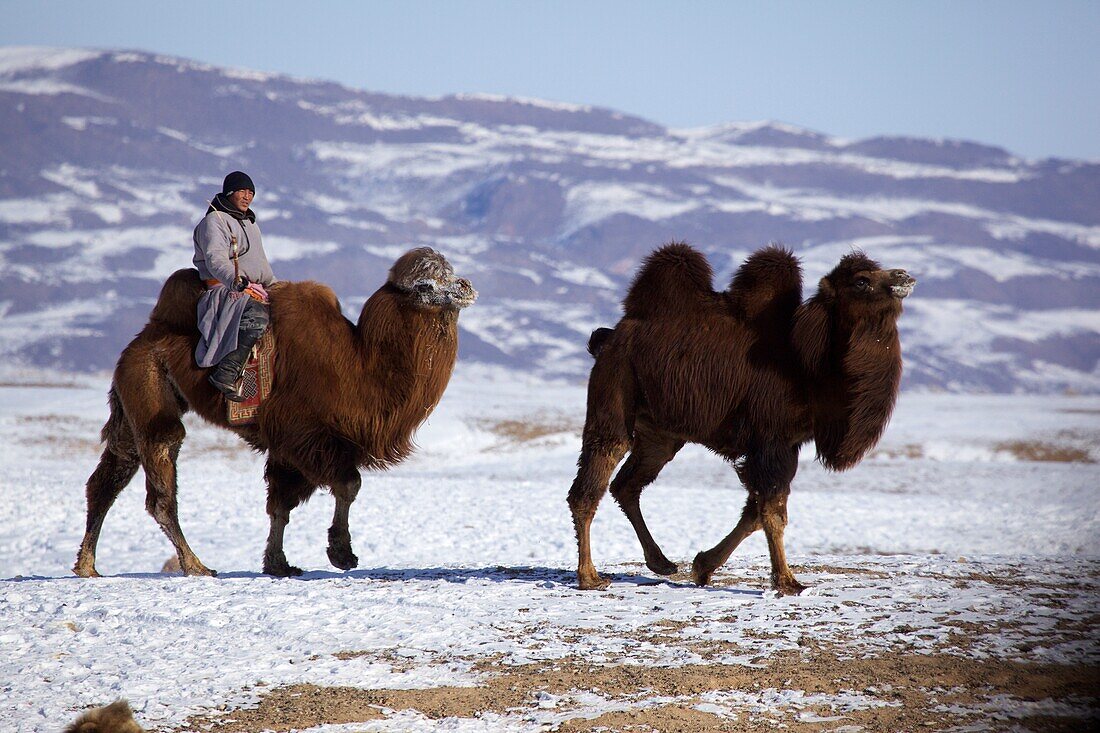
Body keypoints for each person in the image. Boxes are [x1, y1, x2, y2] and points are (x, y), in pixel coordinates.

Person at [193, 171, 278, 401]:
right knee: (258, 317)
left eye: (251, 192)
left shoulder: (251, 224)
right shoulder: (215, 221)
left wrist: (278, 289)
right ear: (230, 192)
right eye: (242, 191)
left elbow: (261, 265)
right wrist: (236, 281)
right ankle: (226, 373)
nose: (247, 196)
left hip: (252, 288)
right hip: (225, 289)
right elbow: (215, 259)